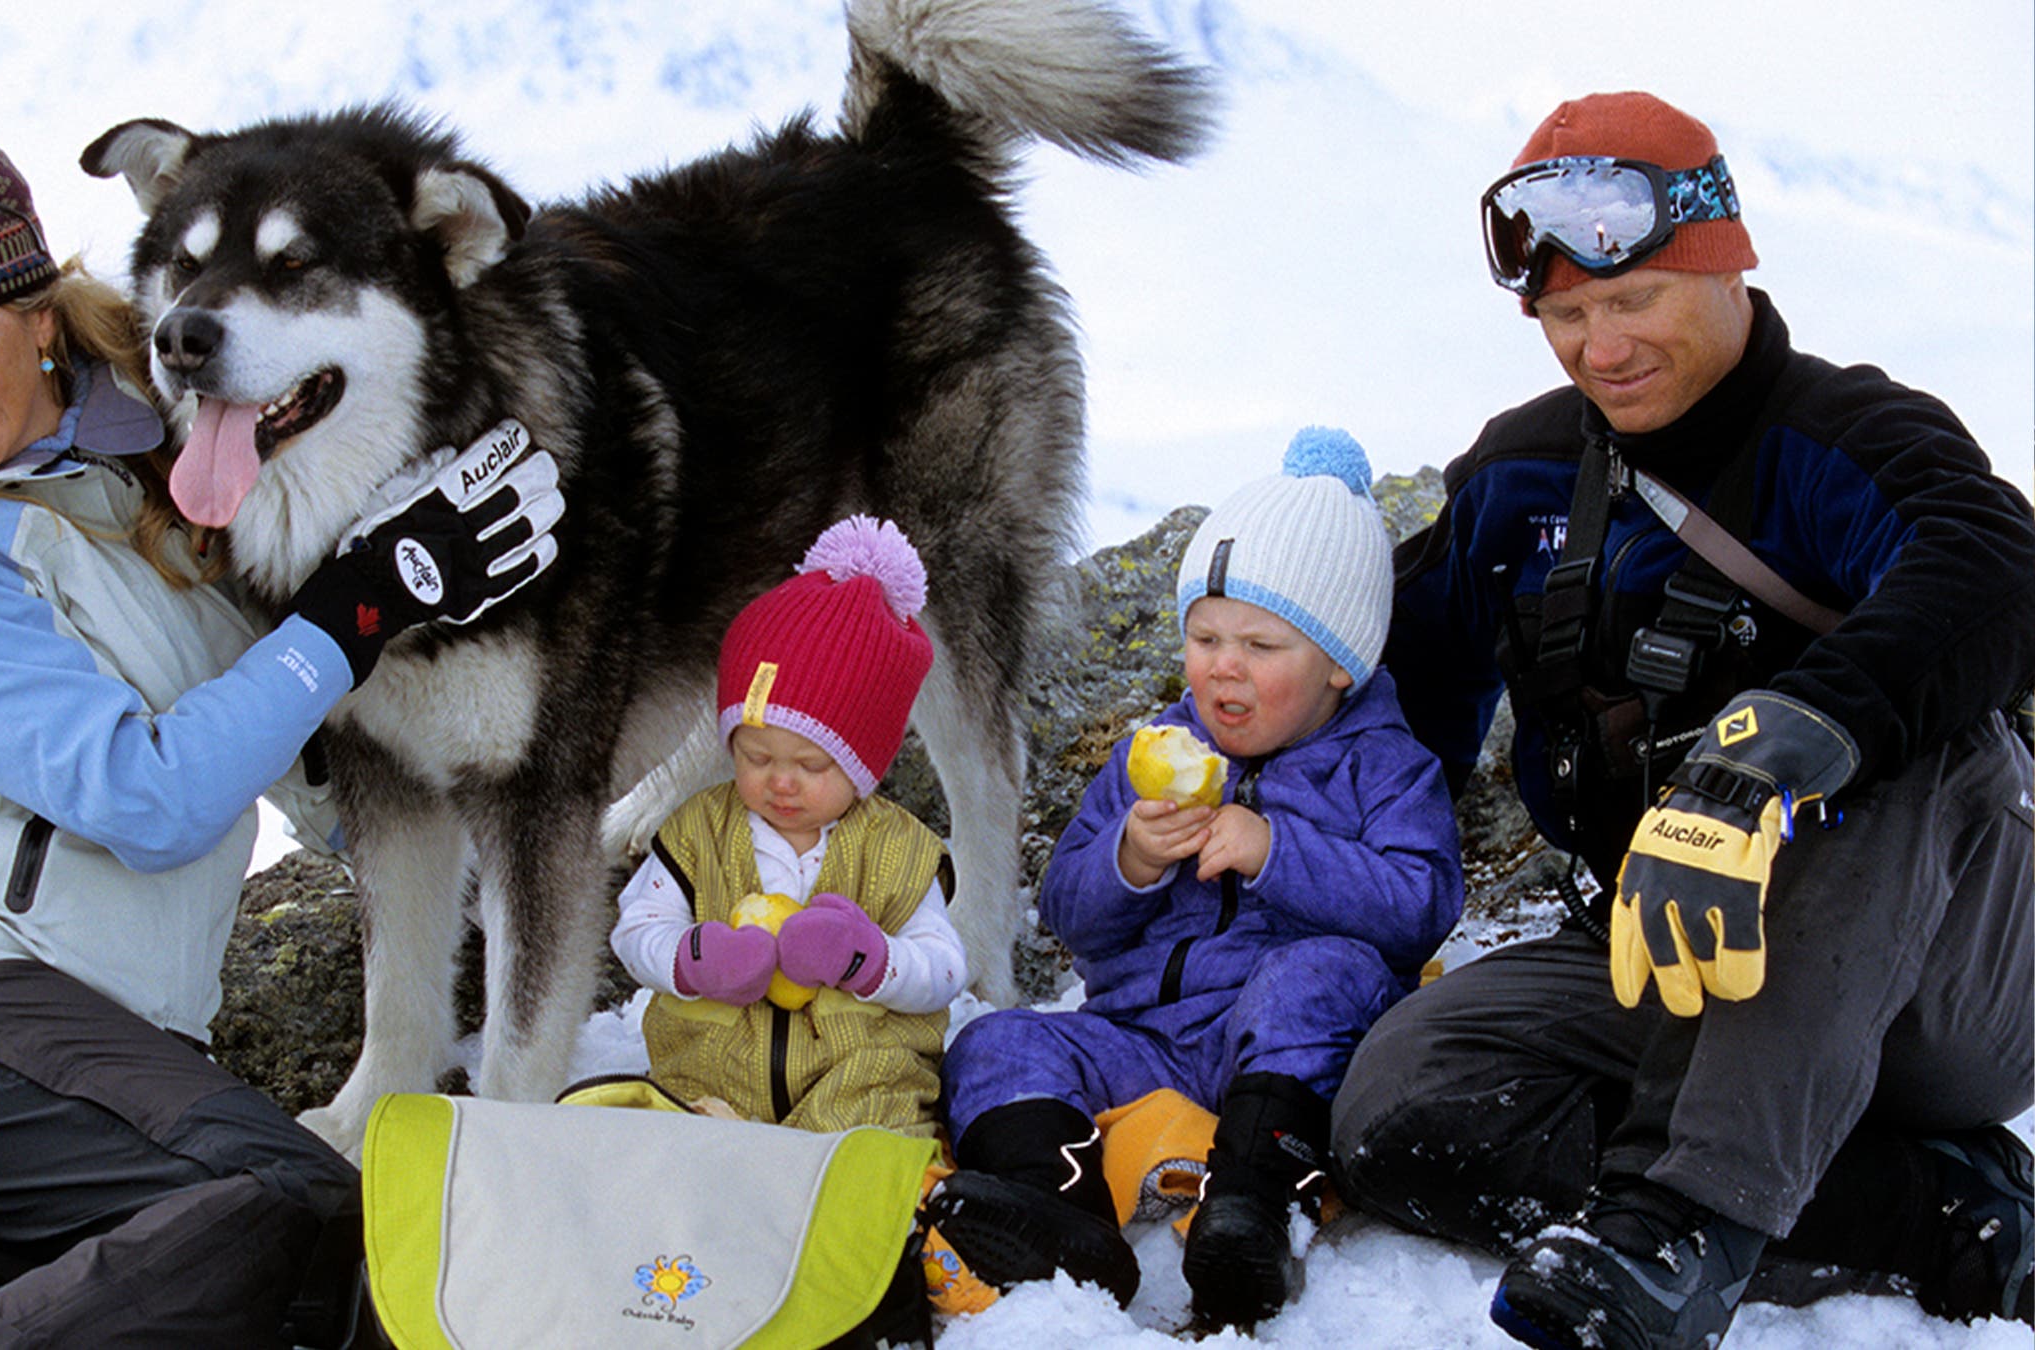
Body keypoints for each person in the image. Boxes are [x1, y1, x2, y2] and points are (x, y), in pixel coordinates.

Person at [0, 114, 563, 1349]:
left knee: (336, 1285)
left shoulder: (143, 481)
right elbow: (150, 797)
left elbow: (291, 753)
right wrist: (364, 603)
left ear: (42, 317)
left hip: (117, 1055)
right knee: (300, 1205)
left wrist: (498, 742)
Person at [1328, 91, 2035, 1350]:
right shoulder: (1522, 477)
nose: (1602, 349)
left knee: (1883, 729)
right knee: (1403, 1106)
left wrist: (1781, 746)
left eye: (1634, 300)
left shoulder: (1854, 438)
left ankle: (1682, 1226)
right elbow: (1399, 694)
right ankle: (1940, 1213)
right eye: (1567, 316)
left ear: (1728, 265)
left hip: (1951, 979)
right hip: (1675, 958)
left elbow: (1990, 568)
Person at [926, 430, 1464, 1329]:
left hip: (1284, 1048)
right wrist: (1130, 860)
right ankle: (1049, 1207)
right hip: (1140, 1035)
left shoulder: (1386, 767)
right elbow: (1065, 910)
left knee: (1318, 973)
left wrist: (1275, 852)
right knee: (995, 1043)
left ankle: (1254, 1207)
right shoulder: (1154, 752)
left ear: (1339, 663)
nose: (1222, 664)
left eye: (1260, 643)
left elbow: (1420, 907)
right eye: (1204, 635)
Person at [610, 515, 968, 1139]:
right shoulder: (699, 831)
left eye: (811, 765)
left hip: (855, 1082)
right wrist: (692, 958)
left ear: (865, 765)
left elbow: (943, 969)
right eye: (755, 757)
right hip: (709, 1077)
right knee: (663, 1123)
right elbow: (636, 929)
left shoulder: (898, 851)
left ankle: (861, 1198)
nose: (781, 782)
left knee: (880, 1120)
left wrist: (871, 958)